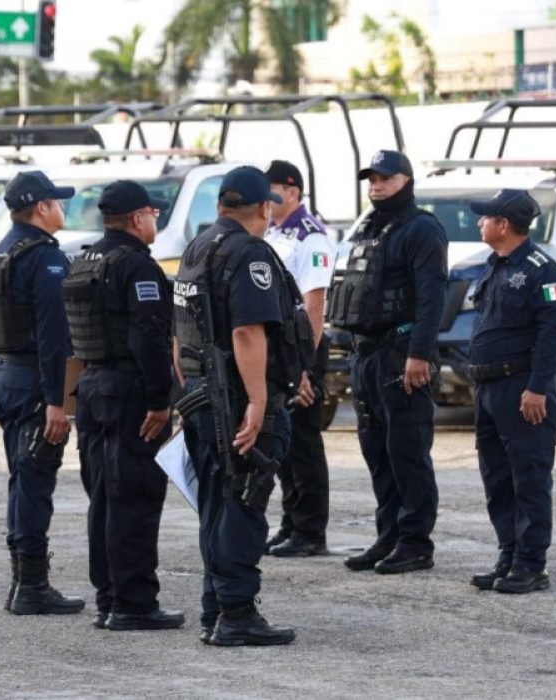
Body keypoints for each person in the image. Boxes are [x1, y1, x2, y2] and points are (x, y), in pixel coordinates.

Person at [174, 166, 305, 647]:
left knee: (218, 503)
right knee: (243, 499)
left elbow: (179, 334)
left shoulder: (197, 247)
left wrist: (189, 388)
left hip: (203, 395)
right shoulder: (248, 253)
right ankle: (236, 614)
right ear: (264, 207)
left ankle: (217, 606)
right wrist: (257, 400)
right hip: (236, 398)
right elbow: (247, 331)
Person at [65, 180, 182, 631]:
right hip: (128, 390)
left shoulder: (83, 261)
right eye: (152, 213)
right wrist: (160, 401)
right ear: (137, 218)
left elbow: (72, 337)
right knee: (134, 495)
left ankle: (109, 597)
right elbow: (149, 338)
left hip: (91, 388)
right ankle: (134, 603)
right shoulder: (137, 267)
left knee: (104, 498)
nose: (155, 220)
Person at [327, 150, 448, 575]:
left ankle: (416, 542)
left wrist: (419, 354)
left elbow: (432, 298)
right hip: (366, 354)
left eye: (385, 179)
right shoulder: (368, 227)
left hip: (401, 355)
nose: (376, 185)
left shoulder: (422, 229)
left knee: (407, 450)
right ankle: (390, 535)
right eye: (372, 179)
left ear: (407, 181)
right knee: (377, 451)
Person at [0, 171, 83, 616]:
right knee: (34, 483)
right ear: (41, 207)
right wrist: (57, 400)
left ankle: (25, 580)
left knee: (22, 478)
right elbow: (54, 334)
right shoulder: (43, 258)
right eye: (57, 201)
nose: (62, 208)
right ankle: (31, 585)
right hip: (35, 382)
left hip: (4, 375)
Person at [466, 189, 556, 594]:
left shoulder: (543, 270)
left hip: (521, 389)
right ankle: (508, 554)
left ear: (504, 225)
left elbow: (552, 332)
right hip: (489, 388)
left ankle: (531, 564)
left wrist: (538, 388)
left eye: (485, 217)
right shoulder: (494, 265)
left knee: (529, 477)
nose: (479, 222)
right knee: (497, 478)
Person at [262, 160, 335, 558]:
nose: (269, 200)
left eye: (275, 192)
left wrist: (304, 366)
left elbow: (315, 306)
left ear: (294, 192)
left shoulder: (310, 237)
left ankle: (310, 530)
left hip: (303, 350)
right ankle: (290, 523)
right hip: (280, 351)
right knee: (284, 442)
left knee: (304, 441)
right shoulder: (274, 233)